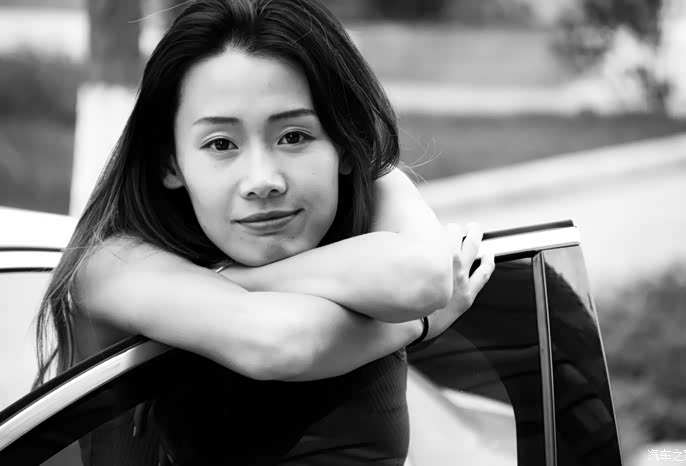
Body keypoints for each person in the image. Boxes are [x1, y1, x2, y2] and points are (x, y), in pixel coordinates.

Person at [34, 0, 495, 464]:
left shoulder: (376, 191)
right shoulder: (111, 264)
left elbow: (426, 278)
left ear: (345, 143)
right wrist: (417, 324)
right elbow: (280, 343)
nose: (262, 181)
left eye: (293, 136)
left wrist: (233, 278)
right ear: (169, 163)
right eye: (221, 144)